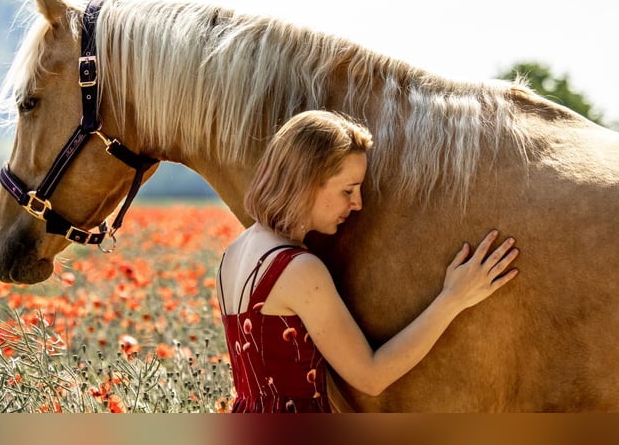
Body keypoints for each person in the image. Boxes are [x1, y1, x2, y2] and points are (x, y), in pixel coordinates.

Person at [216, 110, 520, 413]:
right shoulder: (297, 268)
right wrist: (453, 298)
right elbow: (371, 377)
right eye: (347, 190)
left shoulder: (232, 254)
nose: (357, 203)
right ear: (306, 181)